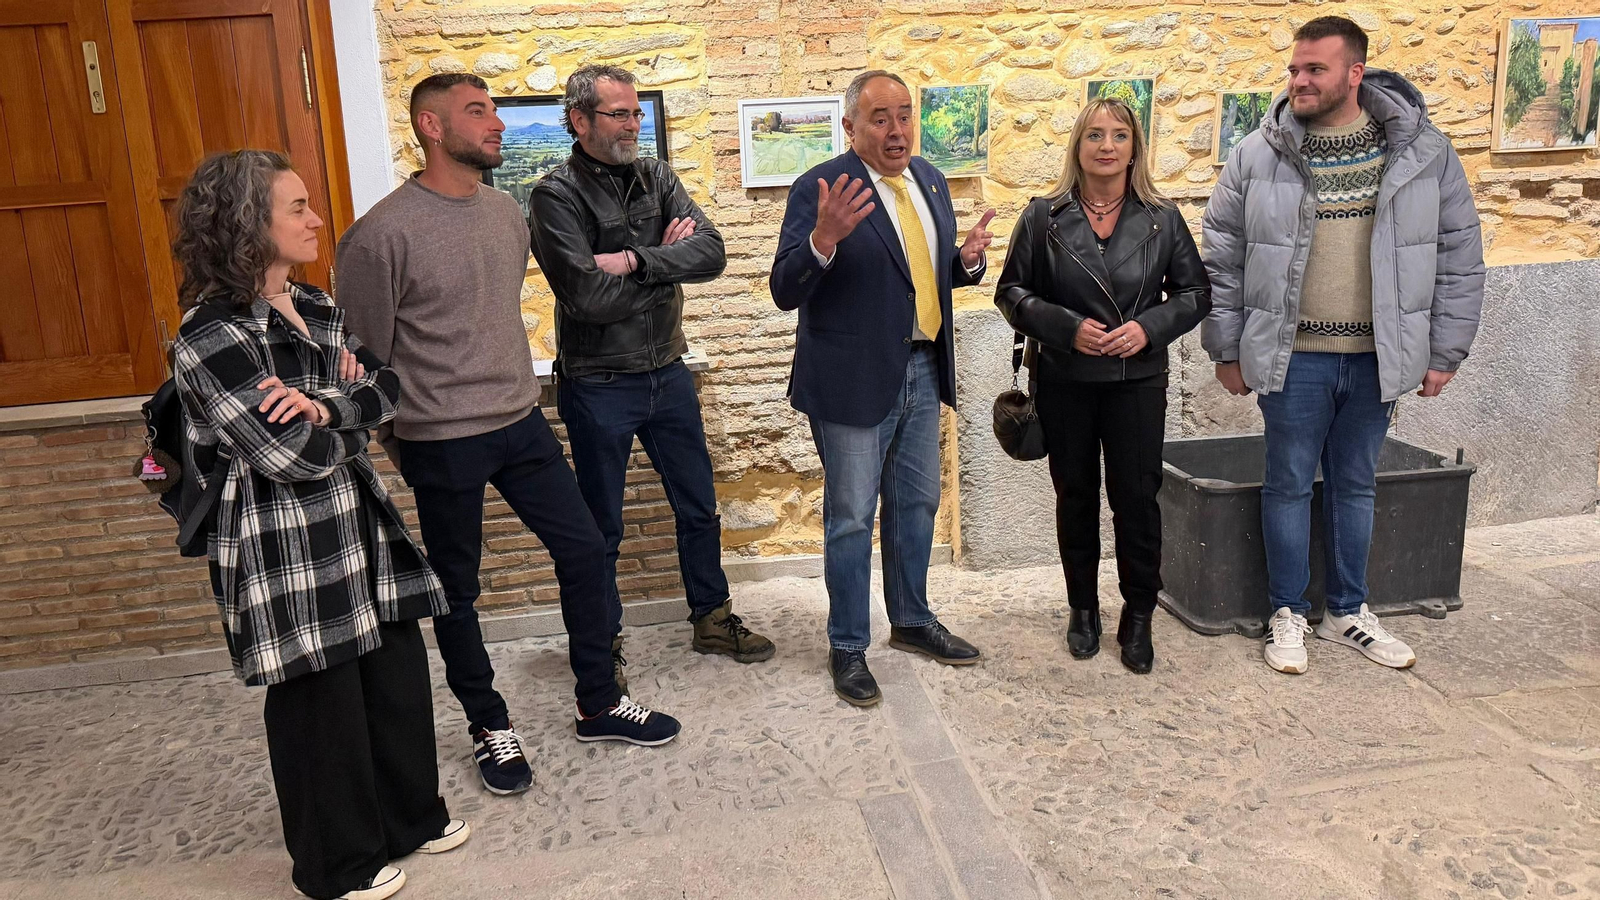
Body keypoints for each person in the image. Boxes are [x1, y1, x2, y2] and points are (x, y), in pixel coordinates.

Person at [336, 73, 680, 798]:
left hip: (520, 420)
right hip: (439, 439)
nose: (496, 123)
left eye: (492, 109)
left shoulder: (504, 213)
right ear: (432, 127)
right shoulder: (380, 235)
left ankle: (597, 701)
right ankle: (490, 724)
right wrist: (402, 441)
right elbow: (364, 357)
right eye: (477, 112)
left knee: (586, 551)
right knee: (457, 591)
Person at [170, 150, 468, 900]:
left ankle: (410, 820)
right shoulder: (210, 337)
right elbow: (290, 454)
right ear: (244, 224)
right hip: (284, 543)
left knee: (394, 675)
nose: (315, 219)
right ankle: (338, 865)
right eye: (296, 207)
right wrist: (341, 419)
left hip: (359, 522)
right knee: (319, 703)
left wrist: (330, 408)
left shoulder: (320, 307)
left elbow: (388, 387)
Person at [1201, 16, 1485, 674]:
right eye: (1294, 69)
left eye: (1315, 70)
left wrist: (1445, 352)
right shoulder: (1256, 155)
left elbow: (1459, 257)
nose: (1298, 80)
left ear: (1354, 73)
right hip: (1290, 357)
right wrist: (1226, 348)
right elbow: (1222, 257)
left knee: (1356, 484)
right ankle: (1287, 614)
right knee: (1289, 484)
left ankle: (1349, 613)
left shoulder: (1423, 154)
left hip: (1375, 358)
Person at [528, 65, 775, 690]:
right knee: (600, 529)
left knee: (698, 507)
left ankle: (712, 618)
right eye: (619, 114)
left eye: (637, 113)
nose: (633, 125)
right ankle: (600, 640)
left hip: (667, 371)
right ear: (580, 121)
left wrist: (637, 259)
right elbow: (585, 298)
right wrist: (668, 264)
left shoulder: (656, 174)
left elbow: (712, 253)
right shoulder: (554, 195)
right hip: (598, 383)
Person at [770, 70, 996, 707]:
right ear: (850, 127)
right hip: (850, 383)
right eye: (880, 118)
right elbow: (785, 288)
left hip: (923, 368)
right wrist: (823, 239)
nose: (897, 130)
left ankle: (913, 620)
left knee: (916, 506)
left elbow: (917, 278)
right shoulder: (819, 187)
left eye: (904, 115)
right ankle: (848, 646)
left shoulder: (926, 178)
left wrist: (968, 261)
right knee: (849, 521)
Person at [994, 97, 1211, 674]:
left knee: (1137, 502)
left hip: (1136, 382)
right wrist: (1067, 330)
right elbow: (1010, 292)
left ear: (1135, 146)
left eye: (1119, 134)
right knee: (1077, 499)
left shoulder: (1163, 218)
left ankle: (1138, 614)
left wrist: (1146, 328)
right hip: (1066, 380)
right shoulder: (1043, 215)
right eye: (1095, 134)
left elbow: (1194, 294)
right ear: (1078, 145)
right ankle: (1083, 609)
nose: (1107, 145)